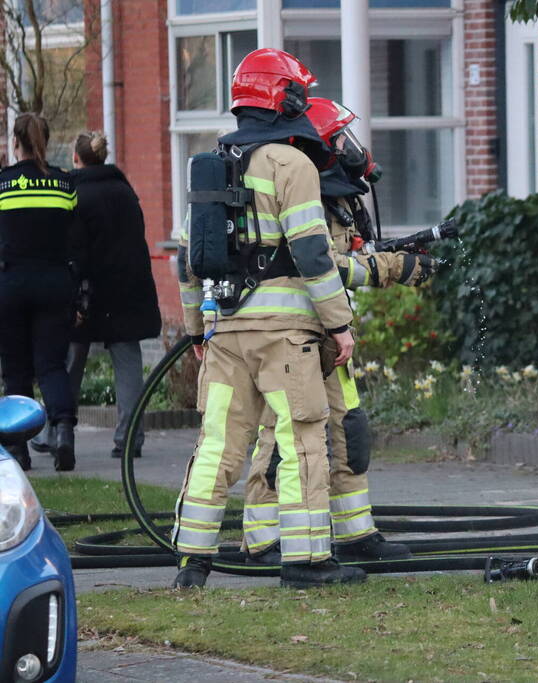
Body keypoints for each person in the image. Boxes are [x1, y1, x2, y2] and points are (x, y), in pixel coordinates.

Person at [172, 48, 360, 589]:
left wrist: (194, 329)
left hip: (226, 333)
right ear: (286, 99)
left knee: (217, 447)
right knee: (300, 438)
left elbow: (189, 259)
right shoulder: (291, 164)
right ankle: (305, 563)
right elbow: (313, 254)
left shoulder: (210, 166)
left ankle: (192, 561)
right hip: (286, 339)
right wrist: (339, 324)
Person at [242, 98, 435, 565]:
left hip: (327, 332)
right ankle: (264, 539)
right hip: (292, 335)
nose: (352, 149)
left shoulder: (338, 197)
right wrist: (392, 267)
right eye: (341, 139)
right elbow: (323, 265)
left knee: (350, 429)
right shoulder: (304, 190)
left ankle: (355, 532)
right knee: (278, 440)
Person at [60, 132, 160, 460]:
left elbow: (75, 249)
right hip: (129, 288)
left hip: (89, 292)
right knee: (128, 363)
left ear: (77, 158)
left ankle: (58, 432)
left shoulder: (75, 193)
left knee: (70, 362)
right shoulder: (124, 190)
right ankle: (130, 438)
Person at [0, 113, 78, 472]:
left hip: (10, 286)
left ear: (15, 144)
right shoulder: (64, 185)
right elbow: (77, 242)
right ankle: (63, 433)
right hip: (54, 285)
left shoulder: (2, 185)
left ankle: (18, 449)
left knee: (15, 369)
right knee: (51, 365)